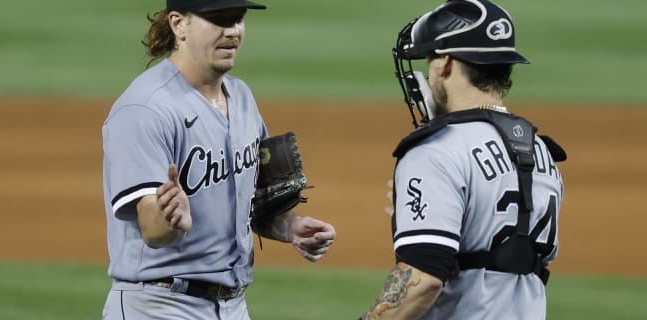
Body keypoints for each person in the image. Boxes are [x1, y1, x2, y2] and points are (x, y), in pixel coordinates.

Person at [100, 1, 336, 319]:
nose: (232, 31)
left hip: (232, 306)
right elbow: (151, 226)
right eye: (218, 20)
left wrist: (290, 226)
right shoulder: (145, 109)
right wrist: (170, 221)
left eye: (237, 19)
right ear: (178, 24)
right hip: (160, 305)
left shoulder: (241, 98)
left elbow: (254, 202)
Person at [361, 0, 566, 319]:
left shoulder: (435, 152)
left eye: (429, 59)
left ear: (445, 62)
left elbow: (422, 278)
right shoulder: (540, 150)